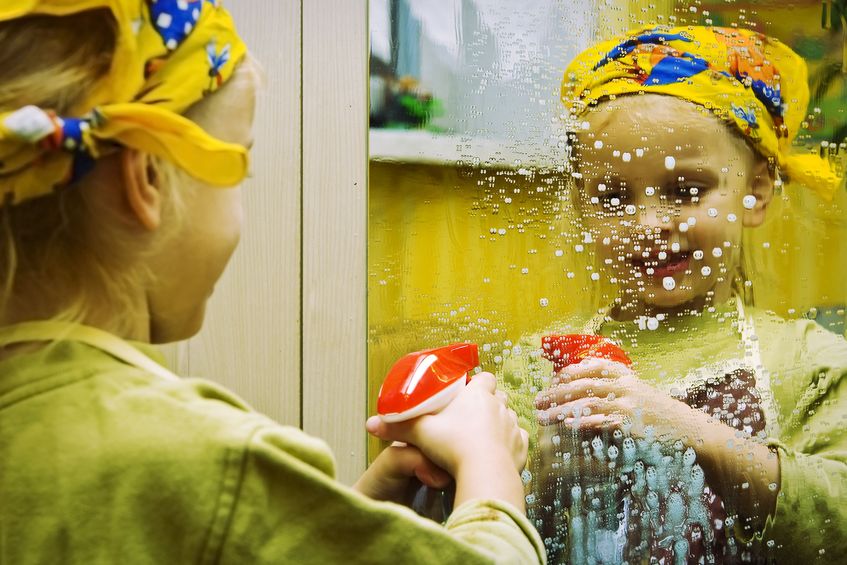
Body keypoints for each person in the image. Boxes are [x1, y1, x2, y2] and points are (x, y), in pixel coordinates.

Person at [0, 2, 545, 563]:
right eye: (242, 168)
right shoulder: (209, 465)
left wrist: (355, 514)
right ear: (148, 178)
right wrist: (490, 468)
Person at [501, 25, 845, 564]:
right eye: (613, 197)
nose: (649, 223)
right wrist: (544, 471)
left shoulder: (810, 364)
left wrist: (691, 431)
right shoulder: (534, 370)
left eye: (685, 191)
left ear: (755, 192)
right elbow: (476, 531)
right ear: (580, 205)